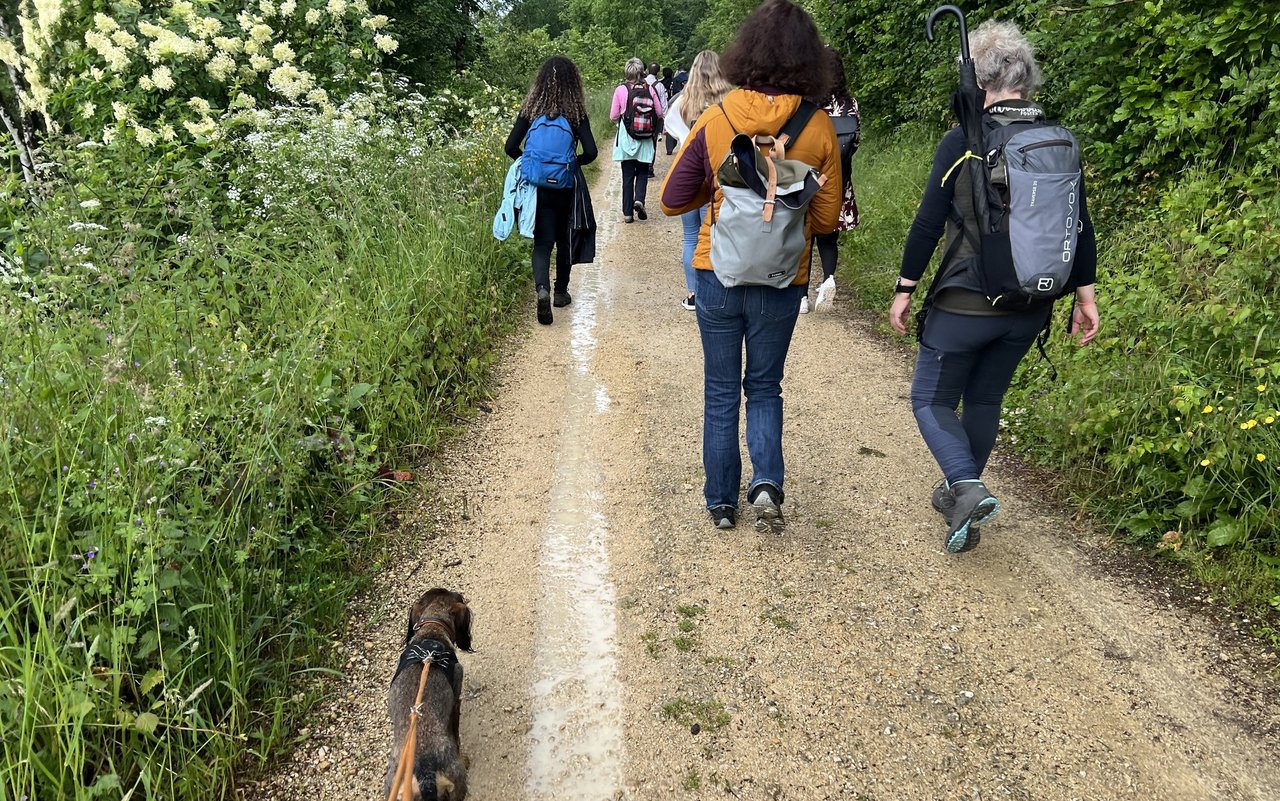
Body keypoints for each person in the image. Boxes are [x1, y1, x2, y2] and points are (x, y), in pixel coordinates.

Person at [888, 20, 1100, 551]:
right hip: (1031, 304)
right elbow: (1079, 224)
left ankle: (965, 486)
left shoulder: (964, 141)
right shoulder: (1056, 141)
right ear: (1025, 81)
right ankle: (962, 506)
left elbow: (927, 223)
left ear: (979, 82)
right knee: (984, 400)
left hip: (965, 302)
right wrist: (1085, 296)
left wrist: (905, 288)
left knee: (931, 400)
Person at [660, 0, 842, 530]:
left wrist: (720, 190)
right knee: (764, 386)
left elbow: (671, 199)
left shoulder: (718, 117)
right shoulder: (819, 127)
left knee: (720, 390)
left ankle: (721, 502)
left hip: (717, 273)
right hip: (783, 279)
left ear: (748, 51)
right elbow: (825, 220)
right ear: (808, 59)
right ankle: (766, 485)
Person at [505, 56, 598, 325]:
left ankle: (542, 290)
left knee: (543, 242)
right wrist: (572, 164)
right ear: (573, 82)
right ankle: (560, 292)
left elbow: (510, 147)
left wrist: (530, 166)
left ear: (541, 81)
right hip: (565, 186)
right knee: (564, 238)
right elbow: (591, 152)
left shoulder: (531, 110)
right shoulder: (575, 113)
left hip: (538, 189)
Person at [662, 50, 733, 311]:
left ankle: (693, 293)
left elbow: (670, 128)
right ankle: (715, 289)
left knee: (690, 236)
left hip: (689, 173)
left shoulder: (683, 102)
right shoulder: (727, 102)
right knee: (715, 233)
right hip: (717, 173)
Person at [801, 46, 860, 315]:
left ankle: (801, 297)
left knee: (804, 238)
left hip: (808, 178)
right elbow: (855, 142)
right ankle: (828, 280)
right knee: (828, 237)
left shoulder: (807, 103)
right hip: (838, 179)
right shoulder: (850, 104)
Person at [611, 57, 663, 223]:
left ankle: (627, 213)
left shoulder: (621, 90)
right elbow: (660, 113)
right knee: (642, 171)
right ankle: (639, 199)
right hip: (645, 137)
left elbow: (613, 115)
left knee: (627, 176)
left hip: (627, 138)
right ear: (642, 72)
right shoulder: (650, 89)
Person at [645, 63, 670, 175]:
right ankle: (650, 167)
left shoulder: (642, 83)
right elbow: (664, 105)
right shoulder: (659, 86)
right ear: (658, 72)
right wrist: (665, 121)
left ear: (647, 70)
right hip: (655, 117)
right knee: (653, 141)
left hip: (641, 116)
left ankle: (641, 164)